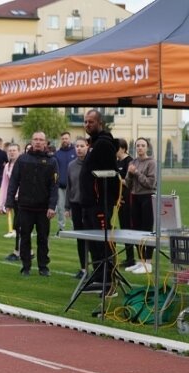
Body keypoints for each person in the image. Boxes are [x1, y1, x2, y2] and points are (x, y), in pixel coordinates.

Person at [5, 131, 58, 276]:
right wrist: (9, 201)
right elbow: (14, 182)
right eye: (35, 139)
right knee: (25, 237)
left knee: (43, 238)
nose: (38, 142)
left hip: (43, 208)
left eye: (41, 140)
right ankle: (25, 266)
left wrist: (52, 206)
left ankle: (43, 266)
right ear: (32, 141)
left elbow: (54, 186)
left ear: (45, 142)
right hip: (25, 206)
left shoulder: (51, 161)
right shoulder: (22, 159)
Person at [80, 109, 120, 287]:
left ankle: (108, 278)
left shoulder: (104, 143)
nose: (87, 125)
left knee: (102, 241)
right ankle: (98, 275)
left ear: (99, 123)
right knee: (93, 241)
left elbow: (111, 173)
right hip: (89, 203)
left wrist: (108, 199)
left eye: (91, 122)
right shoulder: (93, 143)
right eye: (86, 122)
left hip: (99, 203)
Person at [125, 137, 157, 275]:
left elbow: (150, 183)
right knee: (136, 229)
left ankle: (148, 261)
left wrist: (137, 173)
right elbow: (128, 183)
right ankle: (141, 260)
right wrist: (130, 175)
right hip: (135, 197)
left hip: (147, 197)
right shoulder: (132, 162)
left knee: (147, 229)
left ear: (147, 147)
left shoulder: (151, 163)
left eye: (143, 145)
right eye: (138, 145)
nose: (140, 148)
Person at [65, 137, 90, 279]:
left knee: (92, 238)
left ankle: (97, 268)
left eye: (82, 146)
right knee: (80, 237)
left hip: (90, 206)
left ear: (87, 147)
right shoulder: (71, 165)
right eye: (77, 146)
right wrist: (67, 206)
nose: (79, 148)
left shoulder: (91, 164)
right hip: (76, 205)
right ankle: (83, 268)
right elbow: (69, 186)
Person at [115, 138, 136, 268]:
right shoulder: (116, 162)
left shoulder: (130, 161)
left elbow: (130, 182)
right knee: (123, 228)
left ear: (123, 148)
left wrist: (118, 179)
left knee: (129, 228)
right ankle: (129, 258)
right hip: (119, 199)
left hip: (129, 199)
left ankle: (135, 259)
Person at [54, 132, 76, 235]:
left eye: (66, 138)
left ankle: (74, 228)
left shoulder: (75, 152)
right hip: (61, 186)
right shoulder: (57, 154)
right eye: (63, 138)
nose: (64, 140)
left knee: (73, 208)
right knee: (60, 207)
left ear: (69, 139)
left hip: (73, 186)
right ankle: (61, 228)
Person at [0, 143, 20, 241]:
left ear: (19, 152)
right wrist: (1, 203)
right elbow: (4, 184)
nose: (12, 152)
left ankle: (18, 231)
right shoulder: (7, 166)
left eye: (14, 150)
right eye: (10, 151)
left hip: (22, 195)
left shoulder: (22, 163)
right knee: (13, 212)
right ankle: (13, 230)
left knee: (20, 215)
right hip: (12, 194)